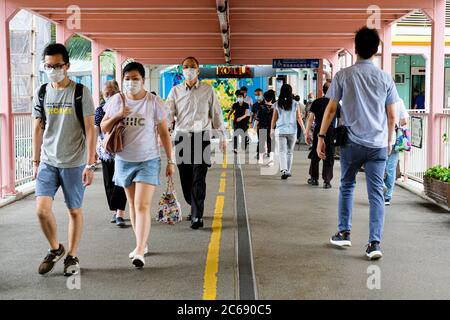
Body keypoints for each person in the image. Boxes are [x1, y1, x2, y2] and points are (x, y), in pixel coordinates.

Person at [317, 27, 399, 260]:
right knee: (375, 194)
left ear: (356, 49)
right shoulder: (385, 77)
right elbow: (392, 115)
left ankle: (344, 232)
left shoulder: (343, 75)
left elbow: (331, 108)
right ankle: (374, 243)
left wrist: (321, 137)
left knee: (347, 185)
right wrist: (390, 140)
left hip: (351, 143)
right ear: (376, 50)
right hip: (377, 145)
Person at [101, 62, 174, 268]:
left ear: (143, 80)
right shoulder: (117, 100)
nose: (131, 82)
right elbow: (104, 127)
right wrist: (118, 115)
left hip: (148, 159)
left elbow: (163, 133)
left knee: (142, 205)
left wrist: (170, 161)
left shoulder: (153, 102)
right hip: (124, 160)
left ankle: (140, 250)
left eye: (135, 79)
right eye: (127, 78)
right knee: (132, 205)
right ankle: (140, 243)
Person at [32, 43, 96, 276]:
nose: (52, 70)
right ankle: (55, 248)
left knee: (74, 210)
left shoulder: (80, 92)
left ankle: (72, 256)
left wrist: (90, 164)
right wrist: (36, 161)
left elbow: (90, 129)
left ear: (67, 66)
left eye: (57, 66)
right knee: (41, 210)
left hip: (74, 162)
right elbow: (38, 127)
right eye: (48, 66)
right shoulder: (41, 92)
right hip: (48, 161)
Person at [167, 57, 226, 230]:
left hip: (202, 138)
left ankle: (197, 215)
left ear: (198, 70)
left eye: (192, 67)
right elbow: (168, 115)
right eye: (186, 67)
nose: (189, 70)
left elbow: (216, 113)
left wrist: (222, 136)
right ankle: (192, 203)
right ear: (182, 70)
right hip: (182, 138)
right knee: (186, 178)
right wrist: (161, 133)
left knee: (199, 177)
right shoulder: (175, 91)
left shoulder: (208, 90)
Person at [94, 80, 127, 227]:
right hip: (106, 150)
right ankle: (115, 209)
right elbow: (97, 129)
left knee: (121, 180)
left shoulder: (125, 107)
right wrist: (95, 148)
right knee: (109, 182)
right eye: (106, 94)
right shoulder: (100, 109)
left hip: (123, 150)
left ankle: (120, 212)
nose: (109, 96)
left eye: (112, 93)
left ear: (118, 91)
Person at [306, 82, 339, 189]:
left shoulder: (317, 102)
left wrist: (306, 132)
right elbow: (340, 119)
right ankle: (327, 181)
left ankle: (314, 178)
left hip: (318, 131)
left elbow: (311, 118)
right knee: (329, 155)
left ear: (323, 91)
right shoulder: (336, 103)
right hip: (331, 132)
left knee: (316, 153)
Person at [271, 84, 306, 179]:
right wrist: (304, 129)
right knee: (289, 152)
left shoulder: (277, 103)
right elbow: (299, 118)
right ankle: (288, 170)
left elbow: (274, 119)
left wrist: (271, 129)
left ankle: (284, 170)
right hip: (292, 131)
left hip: (280, 130)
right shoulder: (295, 103)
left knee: (282, 151)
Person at [384, 99, 409, 205]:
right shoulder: (399, 101)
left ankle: (380, 189)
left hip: (379, 140)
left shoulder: (379, 98)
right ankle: (387, 197)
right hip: (395, 139)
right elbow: (405, 121)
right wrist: (397, 123)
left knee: (378, 166)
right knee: (391, 168)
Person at [255, 90, 275, 165]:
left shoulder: (261, 107)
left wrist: (254, 128)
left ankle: (260, 159)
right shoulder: (274, 107)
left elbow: (257, 119)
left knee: (261, 143)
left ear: (264, 98)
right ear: (272, 99)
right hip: (272, 128)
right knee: (271, 143)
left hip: (262, 127)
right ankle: (271, 160)